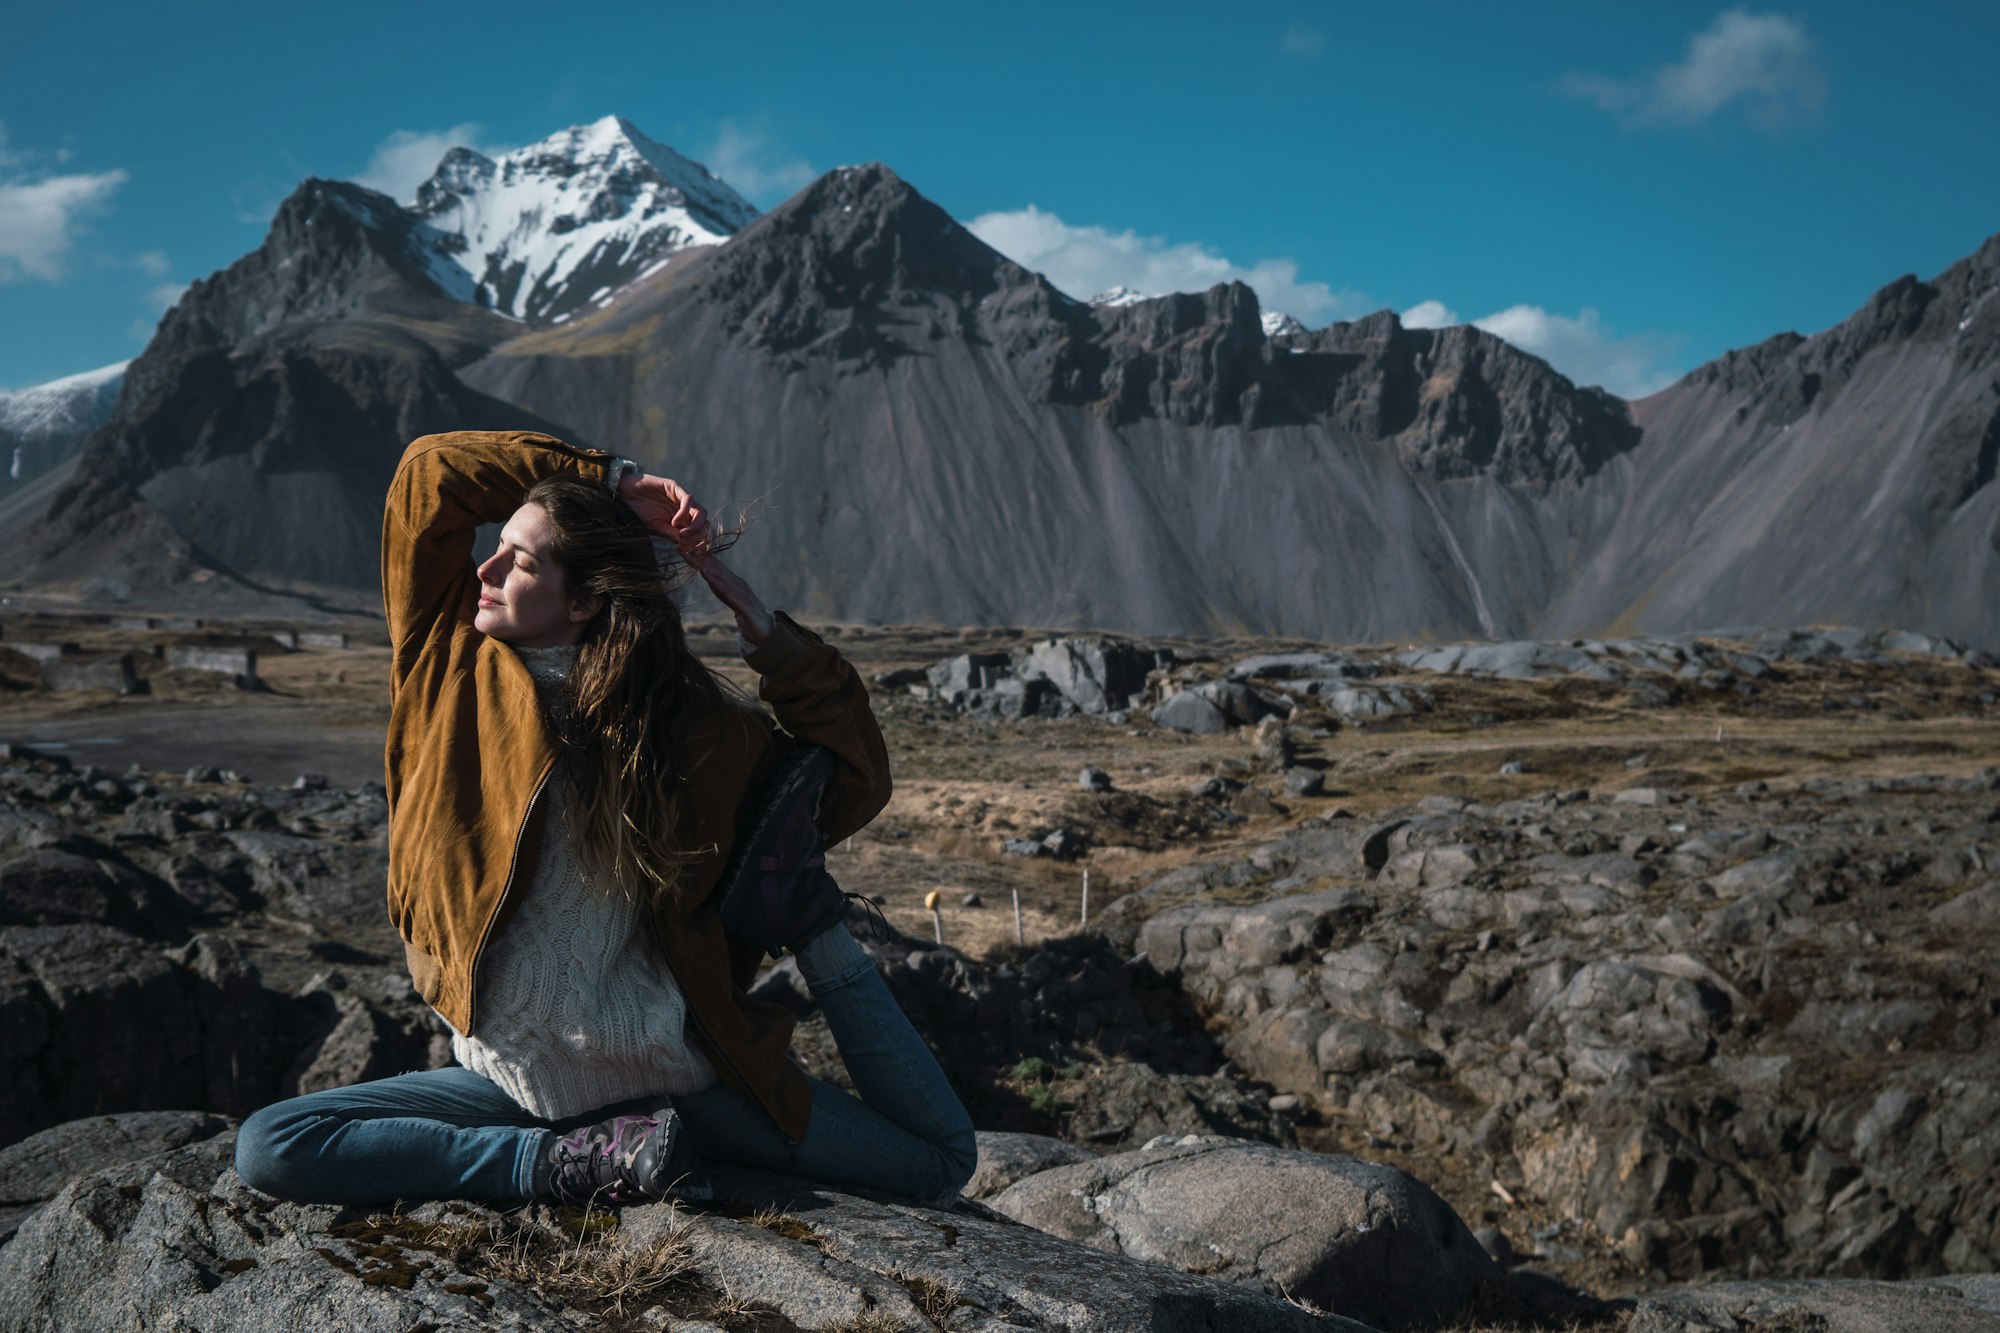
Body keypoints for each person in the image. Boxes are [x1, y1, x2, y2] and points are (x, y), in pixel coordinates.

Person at [234, 429, 975, 1210]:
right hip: (513, 1087)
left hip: (681, 1086)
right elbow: (430, 475)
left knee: (940, 1159)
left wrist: (762, 625)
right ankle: (565, 1164)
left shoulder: (687, 730)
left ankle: (624, 1130)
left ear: (584, 599)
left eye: (519, 561)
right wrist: (612, 479)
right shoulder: (445, 671)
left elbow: (852, 775)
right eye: (497, 547)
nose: (483, 569)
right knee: (271, 1144)